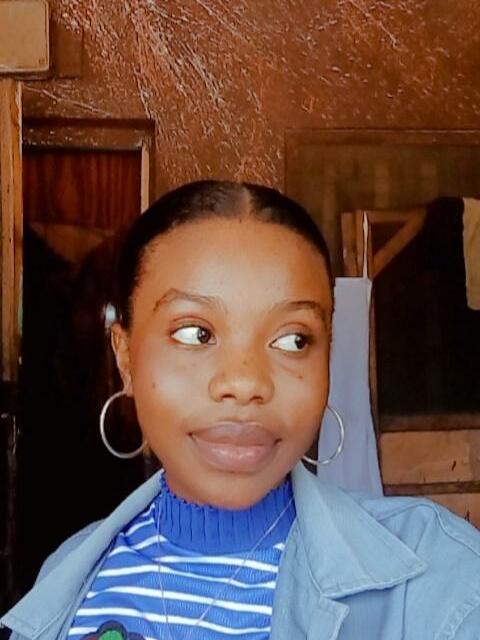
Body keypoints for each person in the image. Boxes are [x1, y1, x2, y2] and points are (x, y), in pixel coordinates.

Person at [2, 181, 480, 640]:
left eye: (293, 340)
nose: (246, 383)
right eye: (195, 334)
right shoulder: (68, 578)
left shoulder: (439, 578)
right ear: (125, 357)